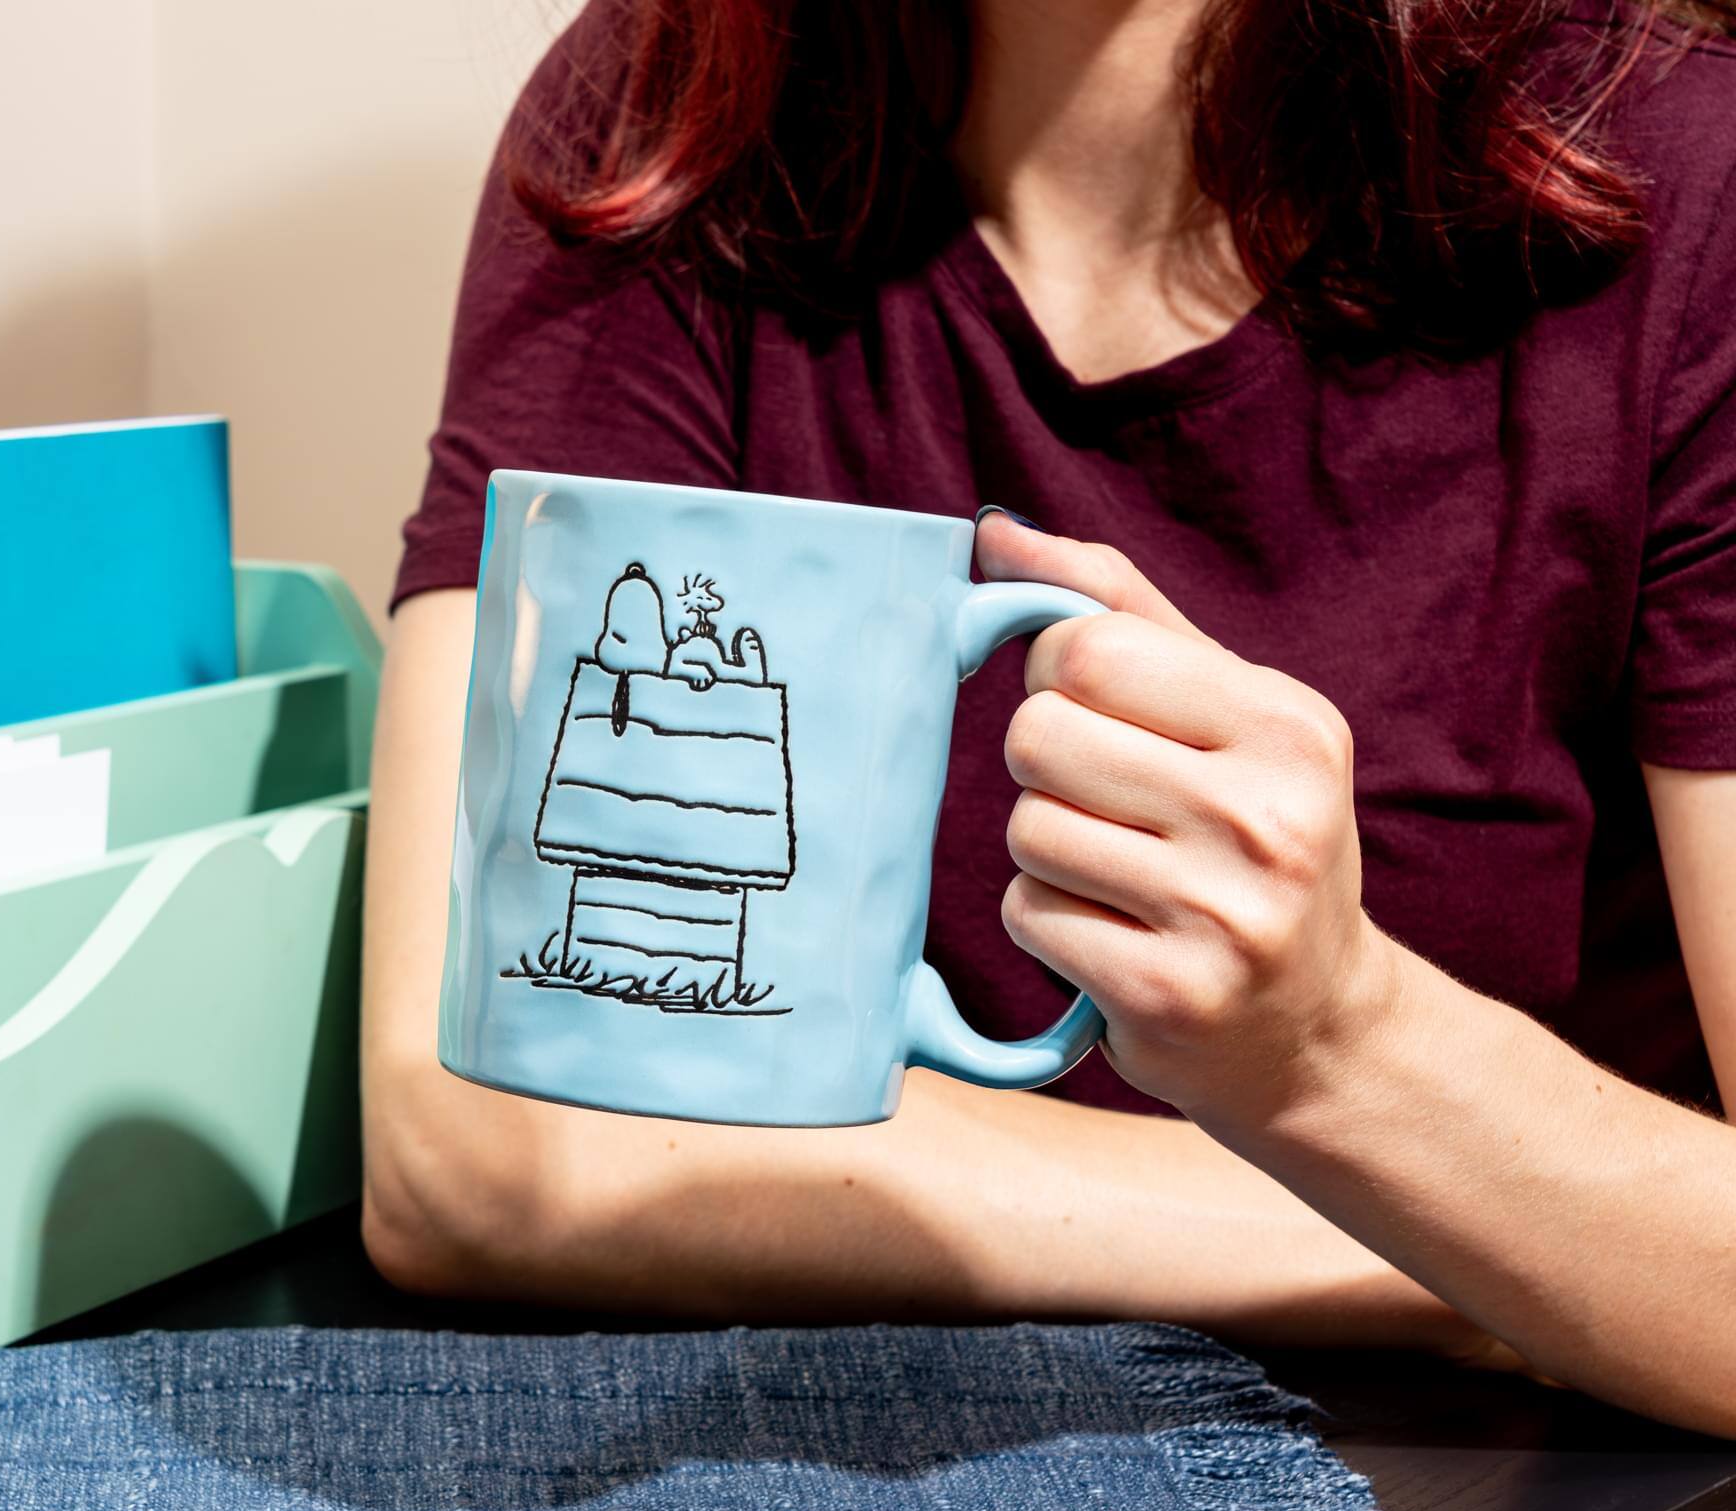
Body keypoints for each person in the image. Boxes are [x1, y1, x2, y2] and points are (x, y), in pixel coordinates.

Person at [362, 0, 1736, 1437]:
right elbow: (478, 1145)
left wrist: (1340, 1036)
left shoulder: (1675, 168)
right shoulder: (680, 104)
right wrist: (1463, 1243)